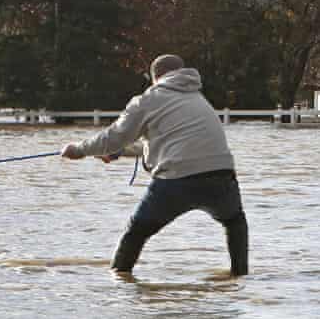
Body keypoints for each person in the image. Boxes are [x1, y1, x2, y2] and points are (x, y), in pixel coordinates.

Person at [60, 54, 248, 276]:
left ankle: (119, 282)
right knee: (235, 222)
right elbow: (167, 141)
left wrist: (79, 150)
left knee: (136, 233)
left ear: (154, 78)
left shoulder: (148, 99)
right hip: (222, 176)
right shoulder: (198, 99)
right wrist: (121, 152)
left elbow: (114, 137)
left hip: (176, 181)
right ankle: (239, 277)